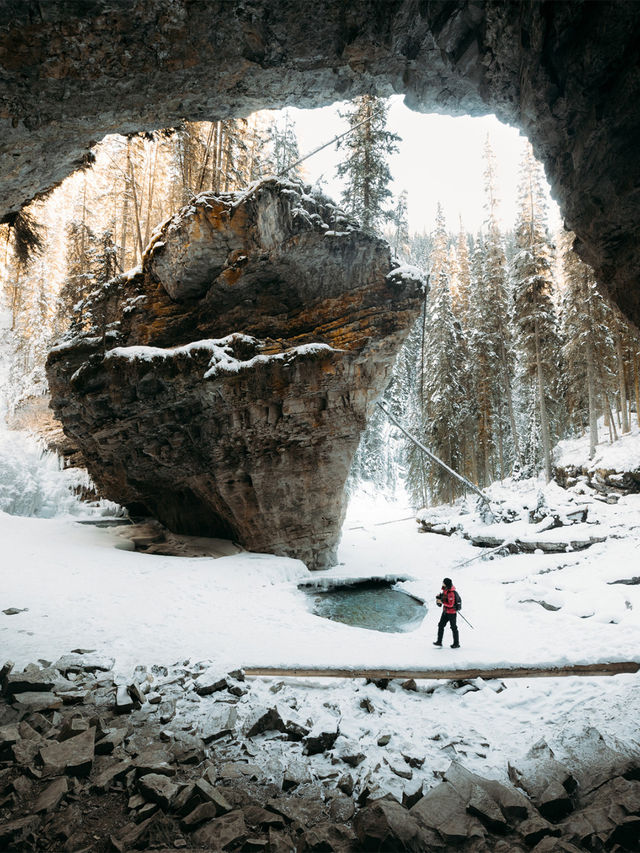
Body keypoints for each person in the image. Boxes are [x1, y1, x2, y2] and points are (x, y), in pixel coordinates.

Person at [433, 577, 460, 648]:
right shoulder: (445, 590)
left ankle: (456, 644)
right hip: (445, 612)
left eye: (443, 582)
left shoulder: (451, 593)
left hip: (451, 613)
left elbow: (451, 604)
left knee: (453, 627)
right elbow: (444, 598)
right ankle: (439, 642)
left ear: (446, 584)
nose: (442, 583)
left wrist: (442, 601)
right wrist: (439, 597)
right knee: (441, 625)